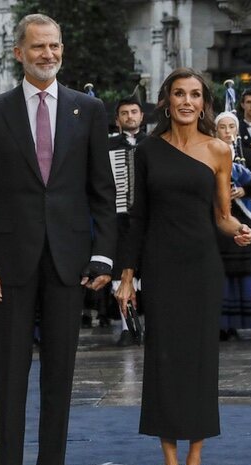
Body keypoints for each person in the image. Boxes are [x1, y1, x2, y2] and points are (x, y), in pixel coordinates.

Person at [0, 14, 117, 465]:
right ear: (19, 53)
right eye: (38, 47)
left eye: (54, 46)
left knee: (60, 375)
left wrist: (102, 255)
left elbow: (103, 192)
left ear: (62, 50)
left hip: (69, 263)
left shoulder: (89, 109)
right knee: (8, 376)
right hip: (8, 265)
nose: (47, 54)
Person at [115, 68, 251, 465]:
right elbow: (137, 218)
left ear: (204, 103)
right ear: (167, 100)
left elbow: (222, 215)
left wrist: (240, 231)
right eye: (179, 94)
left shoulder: (219, 149)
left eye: (195, 94)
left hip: (201, 269)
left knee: (198, 366)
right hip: (161, 267)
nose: (187, 101)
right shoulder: (148, 151)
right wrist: (127, 276)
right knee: (163, 364)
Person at [214, 111, 251, 339]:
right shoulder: (210, 152)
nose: (227, 132)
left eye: (230, 127)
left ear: (237, 130)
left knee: (245, 270)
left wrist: (246, 190)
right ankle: (224, 324)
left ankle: (248, 319)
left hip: (244, 220)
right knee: (223, 272)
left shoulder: (250, 154)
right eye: (222, 127)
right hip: (220, 221)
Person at [109, 95, 147, 346]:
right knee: (120, 269)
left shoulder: (152, 143)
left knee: (147, 270)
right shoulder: (109, 147)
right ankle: (127, 327)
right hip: (120, 217)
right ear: (118, 119)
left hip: (148, 218)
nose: (130, 116)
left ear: (142, 116)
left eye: (134, 112)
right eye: (125, 113)